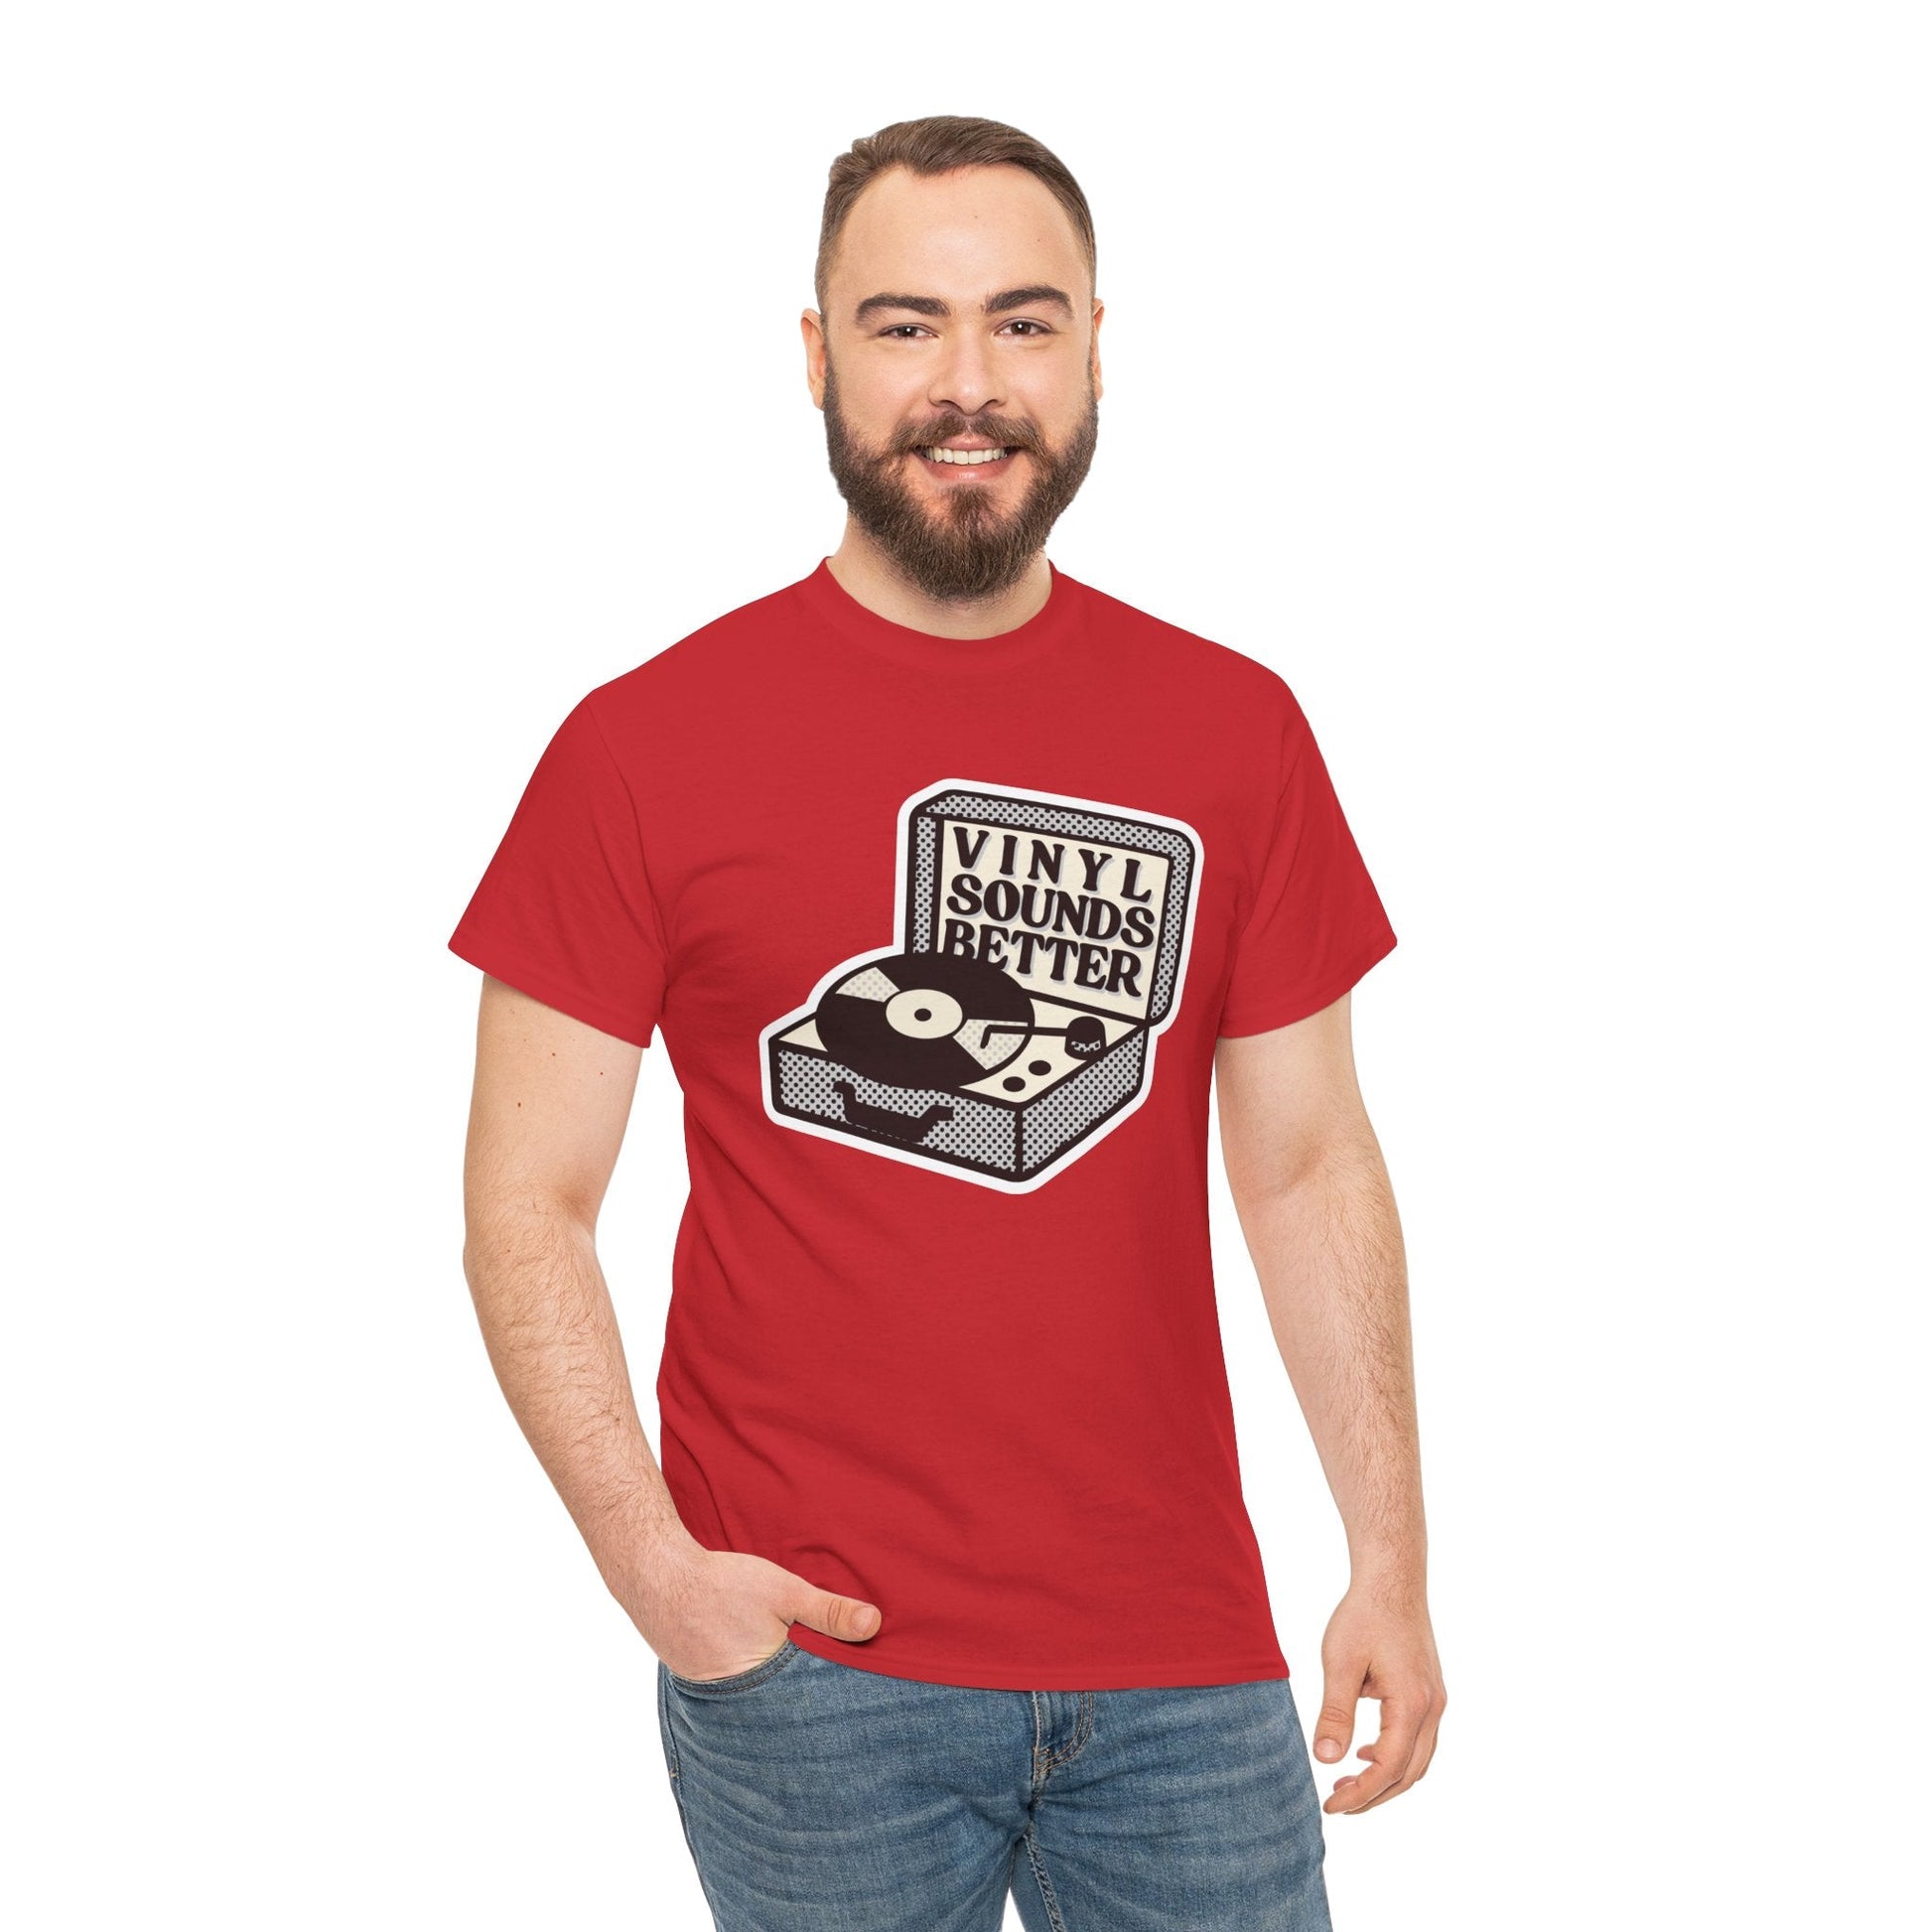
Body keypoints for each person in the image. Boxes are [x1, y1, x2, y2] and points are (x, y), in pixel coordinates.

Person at [450, 114, 1444, 1931]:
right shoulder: (638, 745)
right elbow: (527, 1203)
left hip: (1183, 1659)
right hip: (811, 1669)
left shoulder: (1235, 729)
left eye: (1022, 323)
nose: (966, 384)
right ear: (816, 355)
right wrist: (656, 1570)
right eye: (905, 325)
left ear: (1092, 350)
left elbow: (1306, 1165)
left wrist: (1390, 1557)